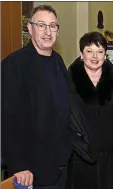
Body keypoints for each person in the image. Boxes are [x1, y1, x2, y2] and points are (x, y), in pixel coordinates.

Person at [1, 5, 74, 189]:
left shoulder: (58, 61)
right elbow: (6, 120)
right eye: (41, 25)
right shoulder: (14, 64)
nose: (47, 31)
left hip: (60, 166)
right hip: (31, 172)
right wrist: (19, 166)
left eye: (52, 26)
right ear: (30, 28)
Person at [66, 31, 113, 189]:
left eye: (99, 51)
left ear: (105, 55)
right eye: (89, 51)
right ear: (81, 54)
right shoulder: (68, 80)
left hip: (110, 152)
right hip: (80, 152)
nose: (95, 56)